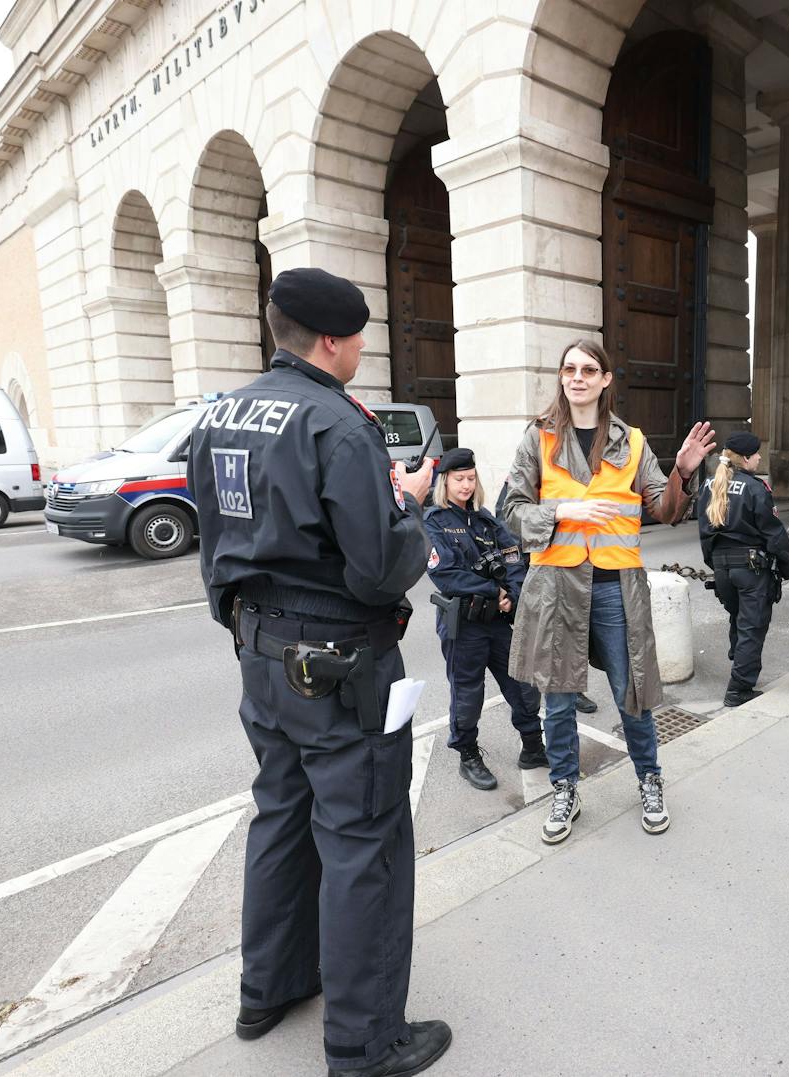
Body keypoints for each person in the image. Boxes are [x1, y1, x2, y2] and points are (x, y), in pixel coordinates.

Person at [188, 268, 450, 1076]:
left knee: (279, 817)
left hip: (259, 655)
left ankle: (268, 987)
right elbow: (378, 567)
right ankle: (365, 1041)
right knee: (362, 838)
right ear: (334, 341)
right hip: (340, 665)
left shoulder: (221, 411)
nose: (363, 348)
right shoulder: (337, 424)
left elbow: (214, 541)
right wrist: (410, 508)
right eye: (360, 337)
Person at [501, 339, 715, 844]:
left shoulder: (632, 442)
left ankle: (649, 779)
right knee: (557, 700)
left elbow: (663, 510)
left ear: (605, 380)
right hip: (556, 585)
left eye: (588, 369)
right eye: (569, 369)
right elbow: (511, 511)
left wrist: (683, 471)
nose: (577, 377)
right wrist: (561, 512)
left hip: (617, 586)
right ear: (562, 378)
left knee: (631, 693)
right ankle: (565, 789)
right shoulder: (539, 438)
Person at [423, 447, 546, 791]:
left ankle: (533, 747)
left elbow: (514, 562)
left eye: (470, 478)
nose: (465, 485)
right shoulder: (434, 523)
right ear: (444, 482)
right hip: (464, 625)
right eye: (458, 479)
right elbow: (446, 574)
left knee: (523, 685)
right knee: (467, 694)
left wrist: (512, 595)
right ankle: (468, 756)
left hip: (497, 622)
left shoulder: (486, 520)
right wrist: (496, 592)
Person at [696, 431, 789, 707]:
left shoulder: (709, 485)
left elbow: (704, 532)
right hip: (751, 569)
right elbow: (773, 534)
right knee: (753, 626)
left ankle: (739, 660)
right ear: (746, 458)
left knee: (737, 617)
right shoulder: (755, 488)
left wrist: (714, 564)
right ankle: (739, 688)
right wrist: (786, 567)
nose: (761, 457)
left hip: (723, 568)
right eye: (757, 453)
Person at [491, 477, 602, 718]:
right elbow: (508, 531)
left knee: (570, 636)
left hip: (567, 570)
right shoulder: (518, 482)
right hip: (535, 573)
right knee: (542, 641)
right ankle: (541, 694)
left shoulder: (563, 477)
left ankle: (572, 692)